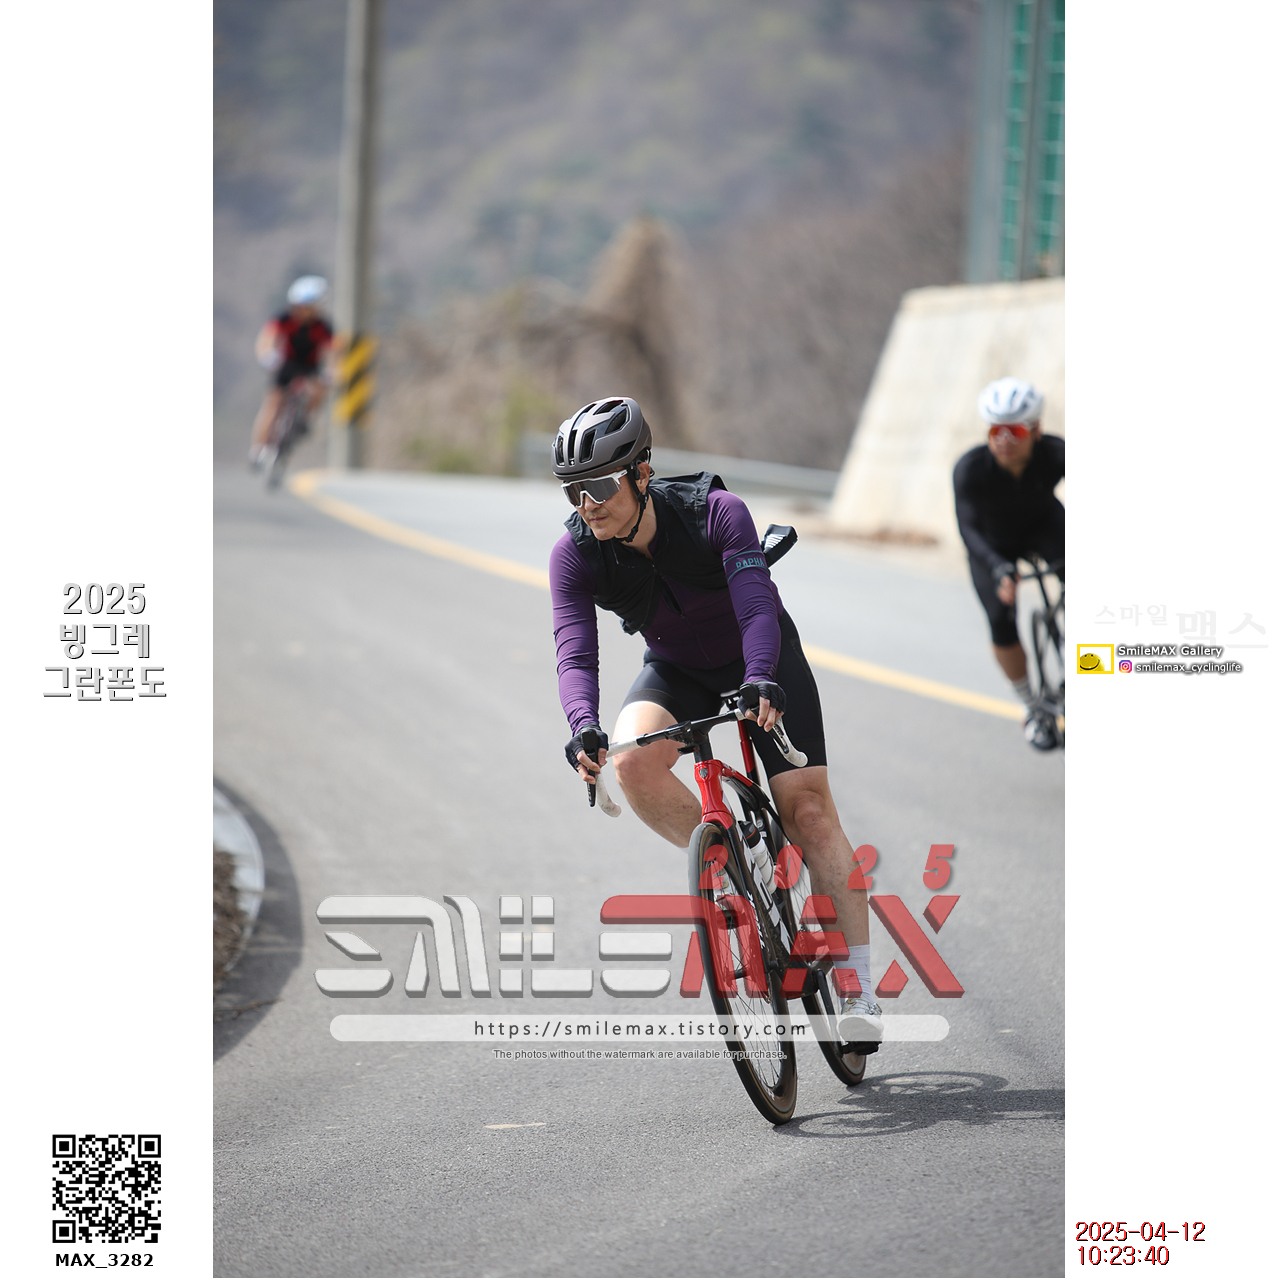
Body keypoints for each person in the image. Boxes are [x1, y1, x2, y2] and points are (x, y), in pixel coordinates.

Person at [548, 396, 882, 1046]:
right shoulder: (576, 554)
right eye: (572, 491)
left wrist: (760, 676)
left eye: (601, 486)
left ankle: (860, 986)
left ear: (642, 472)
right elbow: (575, 651)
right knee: (631, 759)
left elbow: (756, 608)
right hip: (678, 669)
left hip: (763, 658)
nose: (587, 504)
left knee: (809, 814)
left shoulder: (715, 511)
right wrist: (583, 724)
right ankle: (736, 869)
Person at [953, 377, 1065, 750]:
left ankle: (1089, 662)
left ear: (1036, 431)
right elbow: (968, 530)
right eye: (995, 431)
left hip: (1044, 527)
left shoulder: (1057, 454)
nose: (1004, 440)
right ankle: (1032, 706)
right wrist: (999, 568)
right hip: (992, 545)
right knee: (1000, 618)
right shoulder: (970, 469)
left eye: (1014, 431)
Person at [248, 275, 333, 468]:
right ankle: (258, 448)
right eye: (299, 306)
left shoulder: (323, 326)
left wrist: (332, 371)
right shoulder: (284, 318)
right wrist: (266, 355)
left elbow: (333, 350)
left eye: (308, 307)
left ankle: (305, 418)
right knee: (272, 404)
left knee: (319, 389)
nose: (302, 311)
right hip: (286, 364)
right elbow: (267, 338)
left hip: (310, 367)